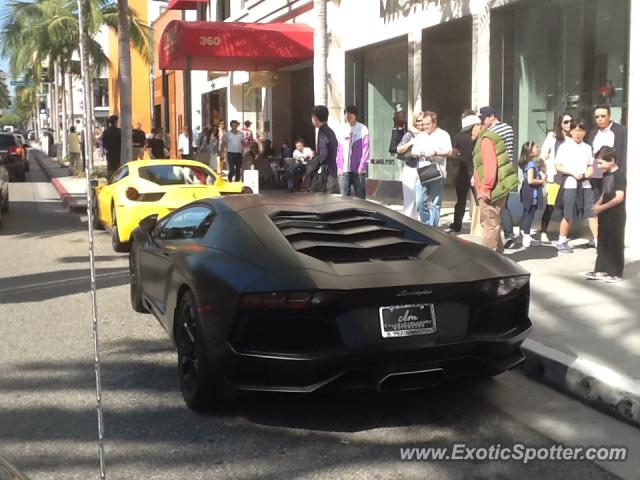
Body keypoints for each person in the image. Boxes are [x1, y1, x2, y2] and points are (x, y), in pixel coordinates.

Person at [471, 120, 519, 252]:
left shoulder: (485, 140)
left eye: (471, 129)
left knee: (489, 224)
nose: (469, 134)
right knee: (493, 223)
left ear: (478, 126)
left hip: (491, 190)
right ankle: (498, 257)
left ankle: (489, 260)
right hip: (494, 187)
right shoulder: (484, 138)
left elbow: (490, 166)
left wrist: (486, 188)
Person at [554, 119, 597, 253]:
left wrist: (588, 173)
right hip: (570, 184)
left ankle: (597, 241)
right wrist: (573, 172)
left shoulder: (587, 147)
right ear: (571, 131)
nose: (578, 133)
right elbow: (558, 166)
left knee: (592, 212)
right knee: (569, 214)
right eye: (575, 130)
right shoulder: (564, 146)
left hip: (585, 184)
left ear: (585, 132)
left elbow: (591, 165)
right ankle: (561, 240)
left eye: (581, 131)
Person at [585, 146, 626, 283]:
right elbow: (606, 192)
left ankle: (616, 272)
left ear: (612, 160)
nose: (599, 166)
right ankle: (601, 269)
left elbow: (619, 197)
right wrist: (598, 204)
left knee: (615, 242)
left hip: (616, 215)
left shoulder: (619, 175)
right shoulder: (607, 175)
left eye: (601, 163)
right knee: (603, 241)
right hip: (605, 214)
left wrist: (602, 207)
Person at [411, 111, 452, 227]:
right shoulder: (421, 136)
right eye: (423, 124)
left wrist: (435, 153)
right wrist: (421, 153)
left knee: (435, 203)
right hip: (423, 170)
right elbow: (413, 152)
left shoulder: (443, 135)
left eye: (427, 124)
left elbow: (449, 152)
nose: (424, 127)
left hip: (437, 170)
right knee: (419, 201)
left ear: (434, 123)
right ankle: (427, 223)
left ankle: (433, 227)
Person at [539, 112, 573, 243]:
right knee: (550, 204)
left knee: (568, 204)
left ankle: (563, 233)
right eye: (566, 122)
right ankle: (543, 231)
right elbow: (543, 155)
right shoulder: (552, 136)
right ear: (560, 123)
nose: (569, 124)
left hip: (568, 174)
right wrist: (544, 173)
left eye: (570, 121)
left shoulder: (573, 137)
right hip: (554, 175)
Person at [586, 104, 628, 202]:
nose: (600, 119)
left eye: (603, 116)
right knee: (596, 202)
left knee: (608, 200)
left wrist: (620, 172)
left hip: (611, 171)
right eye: (597, 117)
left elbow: (623, 152)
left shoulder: (620, 130)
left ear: (609, 116)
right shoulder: (593, 132)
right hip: (596, 172)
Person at [449, 110, 480, 232]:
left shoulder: (458, 137)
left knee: (460, 200)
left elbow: (454, 153)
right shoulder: (478, 138)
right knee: (479, 200)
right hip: (475, 171)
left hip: (461, 171)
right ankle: (479, 226)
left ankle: (457, 225)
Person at [337, 105, 370, 199]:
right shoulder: (342, 129)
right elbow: (339, 149)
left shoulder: (362, 129)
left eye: (350, 113)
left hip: (358, 170)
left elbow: (366, 149)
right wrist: (339, 167)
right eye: (346, 113)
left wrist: (362, 166)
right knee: (344, 199)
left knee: (360, 198)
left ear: (355, 115)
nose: (347, 115)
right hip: (344, 170)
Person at [518, 141, 546, 248]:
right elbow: (530, 180)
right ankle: (526, 235)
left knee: (527, 213)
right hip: (531, 192)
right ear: (529, 152)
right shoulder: (531, 164)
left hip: (526, 191)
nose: (538, 149)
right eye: (536, 147)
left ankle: (523, 234)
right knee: (529, 214)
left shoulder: (528, 163)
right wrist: (542, 180)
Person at [396, 112, 421, 219]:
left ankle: (420, 224)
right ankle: (408, 222)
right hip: (410, 168)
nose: (421, 123)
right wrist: (411, 143)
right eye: (418, 120)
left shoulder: (427, 135)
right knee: (409, 200)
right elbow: (398, 149)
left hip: (424, 169)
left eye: (422, 121)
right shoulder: (409, 135)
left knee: (420, 200)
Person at [309, 105, 338, 193]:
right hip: (332, 170)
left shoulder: (323, 133)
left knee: (325, 200)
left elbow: (323, 155)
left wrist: (314, 163)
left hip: (326, 173)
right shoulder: (329, 131)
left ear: (315, 118)